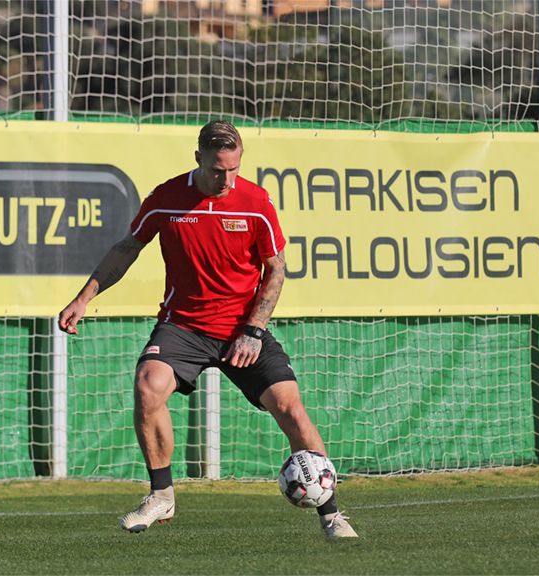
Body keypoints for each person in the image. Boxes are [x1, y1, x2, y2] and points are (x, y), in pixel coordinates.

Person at [57, 120, 358, 540]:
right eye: (217, 169)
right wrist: (84, 297)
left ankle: (332, 515)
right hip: (183, 326)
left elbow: (276, 270)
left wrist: (253, 330)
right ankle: (162, 496)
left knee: (291, 408)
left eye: (233, 169)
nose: (226, 179)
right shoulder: (165, 198)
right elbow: (126, 249)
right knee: (148, 385)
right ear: (197, 157)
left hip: (242, 328)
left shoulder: (256, 203)